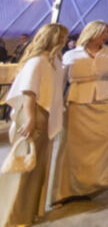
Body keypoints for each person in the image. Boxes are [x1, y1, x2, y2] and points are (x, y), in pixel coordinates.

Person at [0, 23, 67, 227]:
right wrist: (30, 119)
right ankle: (15, 216)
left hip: (45, 114)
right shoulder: (37, 62)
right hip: (34, 114)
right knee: (26, 164)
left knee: (37, 166)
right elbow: (29, 92)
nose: (65, 41)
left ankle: (30, 211)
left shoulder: (53, 60)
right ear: (54, 38)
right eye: (62, 37)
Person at [54, 20, 108, 201]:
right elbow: (60, 82)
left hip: (104, 101)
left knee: (107, 142)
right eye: (103, 32)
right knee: (75, 145)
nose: (106, 36)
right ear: (92, 33)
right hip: (77, 102)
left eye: (107, 32)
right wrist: (55, 103)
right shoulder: (71, 55)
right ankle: (68, 189)